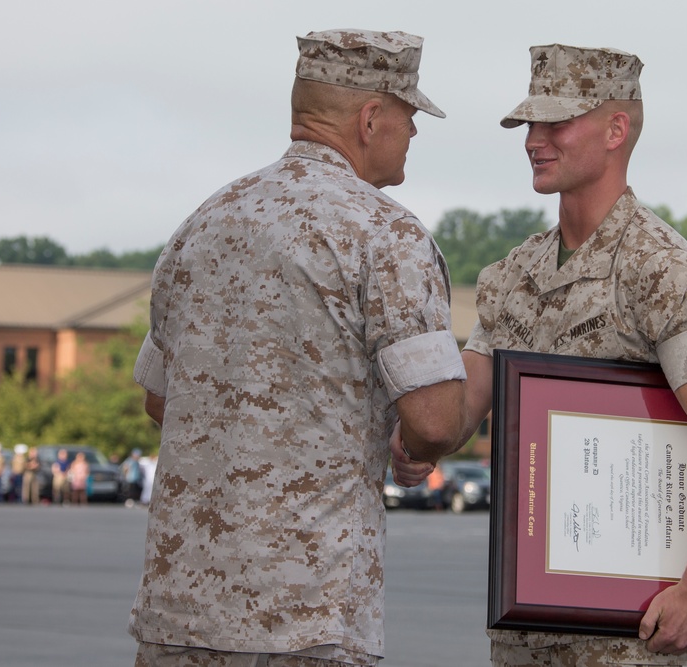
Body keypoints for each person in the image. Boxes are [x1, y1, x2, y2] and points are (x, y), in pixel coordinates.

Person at [393, 43, 687, 666]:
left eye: (556, 123)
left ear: (616, 129)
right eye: (529, 125)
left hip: (629, 639)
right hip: (525, 626)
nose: (534, 139)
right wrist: (415, 440)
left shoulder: (661, 271)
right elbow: (459, 415)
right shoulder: (512, 276)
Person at [128, 29, 466, 667]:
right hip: (307, 614)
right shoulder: (386, 234)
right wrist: (412, 446)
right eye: (410, 116)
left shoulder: (201, 224)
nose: (414, 133)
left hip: (180, 611)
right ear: (371, 119)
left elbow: (160, 403)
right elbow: (437, 419)